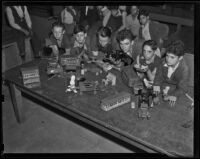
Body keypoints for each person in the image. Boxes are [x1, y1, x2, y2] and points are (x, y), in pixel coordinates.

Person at [153, 40, 189, 107]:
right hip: (164, 84)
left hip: (176, 87)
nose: (168, 59)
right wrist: (156, 85)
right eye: (167, 55)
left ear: (180, 58)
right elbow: (158, 77)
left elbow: (183, 87)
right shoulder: (163, 61)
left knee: (174, 106)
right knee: (152, 95)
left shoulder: (184, 69)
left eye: (172, 57)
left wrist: (173, 95)